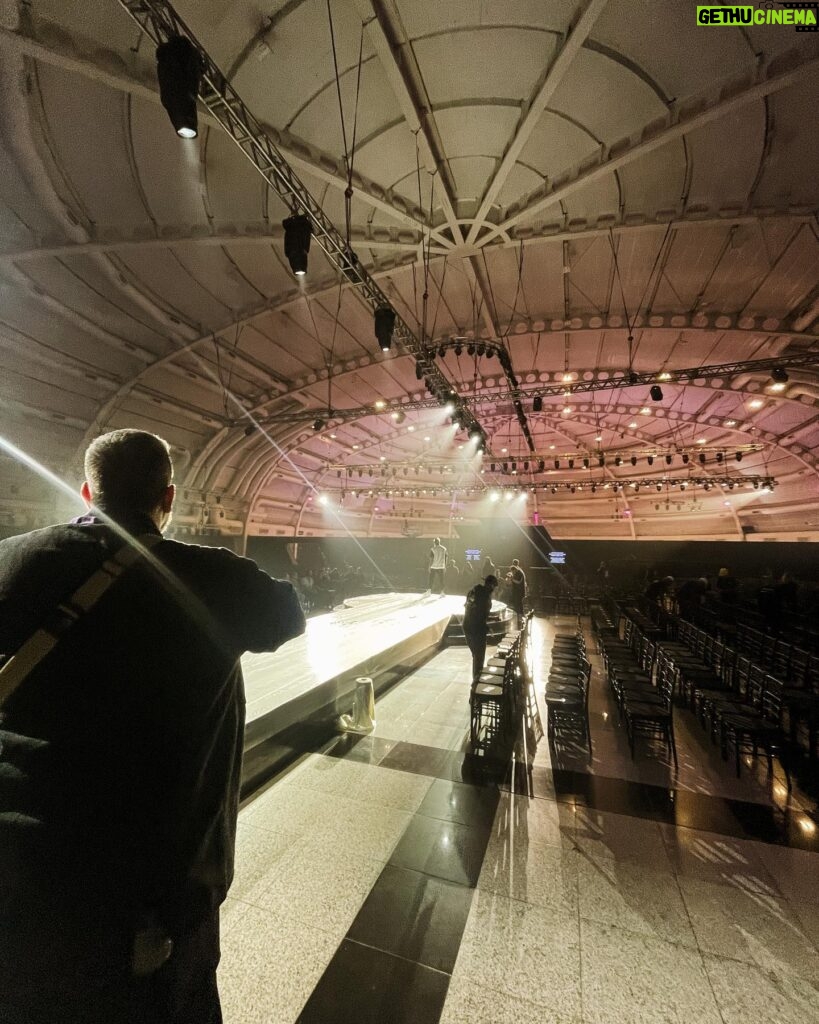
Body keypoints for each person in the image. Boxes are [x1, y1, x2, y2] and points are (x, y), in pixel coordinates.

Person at [0, 429, 306, 1024]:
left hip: (20, 861)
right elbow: (289, 614)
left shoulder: (10, 559)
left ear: (87, 491)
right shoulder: (215, 580)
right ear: (168, 498)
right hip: (149, 894)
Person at [463, 574, 499, 683]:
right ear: (491, 586)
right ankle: (476, 684)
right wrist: (488, 628)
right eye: (494, 588)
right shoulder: (486, 599)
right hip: (477, 630)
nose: (494, 592)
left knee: (475, 655)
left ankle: (476, 680)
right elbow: (479, 617)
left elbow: (472, 609)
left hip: (467, 626)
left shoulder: (473, 591)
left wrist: (491, 618)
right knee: (479, 657)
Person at [505, 558, 527, 627]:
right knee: (517, 605)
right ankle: (519, 619)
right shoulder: (518, 571)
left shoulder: (519, 572)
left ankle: (520, 620)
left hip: (519, 592)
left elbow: (518, 582)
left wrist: (511, 578)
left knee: (519, 606)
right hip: (517, 592)